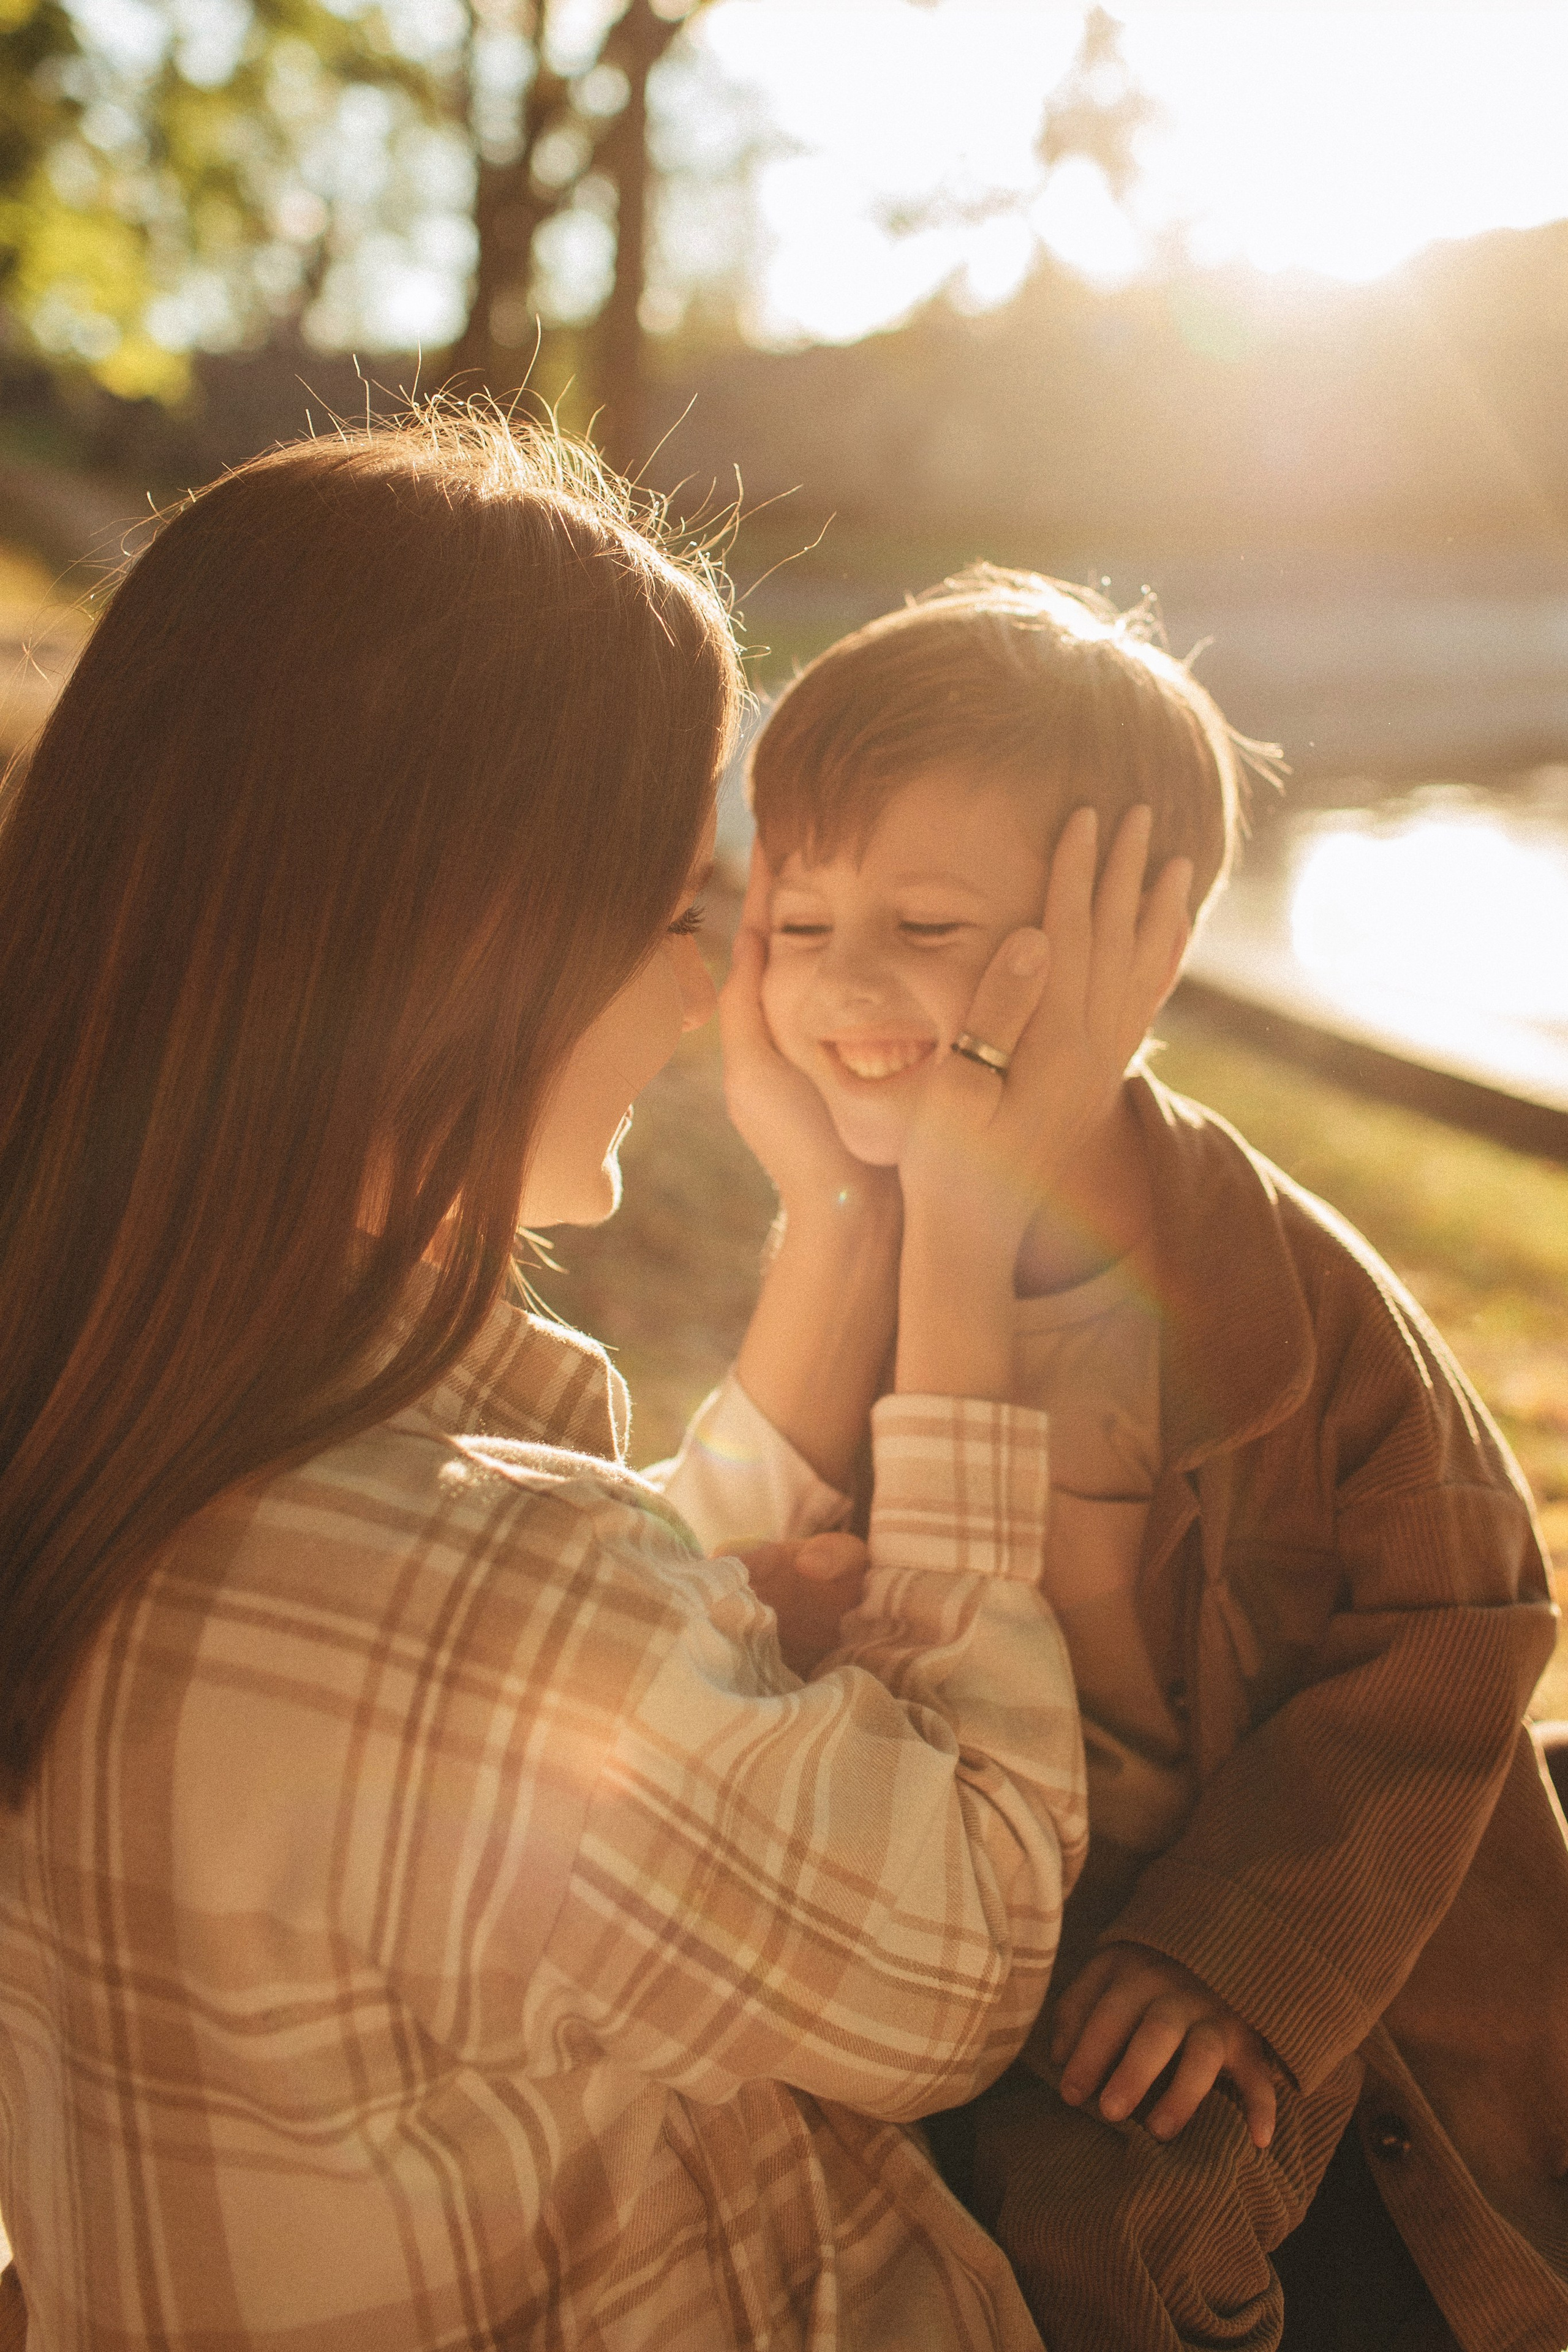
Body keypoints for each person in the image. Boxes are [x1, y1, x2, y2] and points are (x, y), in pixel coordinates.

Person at [0, 421, 1189, 2350]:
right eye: (667, 908)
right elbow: (967, 1959)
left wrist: (842, 1231)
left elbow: (575, 1722)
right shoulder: (470, 1600)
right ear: (471, 941)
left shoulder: (117, 1431)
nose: (707, 982)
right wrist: (973, 1222)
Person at [670, 566, 1568, 2352]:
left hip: (1260, 1972)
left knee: (1109, 2233)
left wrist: (1242, 1946)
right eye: (802, 919)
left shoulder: (1275, 1292)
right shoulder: (857, 1254)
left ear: (1125, 953)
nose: (844, 981)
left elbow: (1462, 1623)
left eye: (928, 925)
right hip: (989, 1947)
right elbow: (717, 1600)